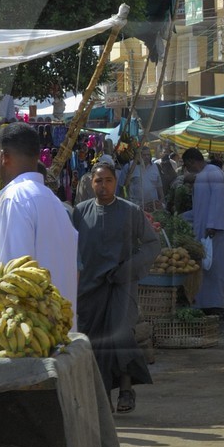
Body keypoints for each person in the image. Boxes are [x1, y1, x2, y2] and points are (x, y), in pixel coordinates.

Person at [0, 121, 83, 447]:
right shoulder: (53, 202)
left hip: (24, 338)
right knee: (46, 435)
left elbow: (10, 275)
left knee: (8, 439)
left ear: (5, 157)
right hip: (55, 334)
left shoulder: (14, 198)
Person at [72, 162, 161, 414]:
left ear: (116, 182)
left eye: (108, 180)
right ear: (91, 184)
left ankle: (125, 390)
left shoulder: (131, 211)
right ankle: (101, 397)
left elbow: (152, 246)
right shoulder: (79, 212)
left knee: (121, 336)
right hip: (90, 288)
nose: (103, 186)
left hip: (122, 286)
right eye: (98, 181)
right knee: (94, 341)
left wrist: (128, 269)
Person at [186, 148, 224, 313]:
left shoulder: (213, 172)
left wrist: (213, 225)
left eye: (187, 165)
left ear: (193, 161)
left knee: (215, 267)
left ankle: (216, 304)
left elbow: (218, 201)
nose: (187, 169)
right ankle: (208, 302)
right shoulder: (203, 175)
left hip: (214, 230)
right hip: (205, 228)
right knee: (208, 267)